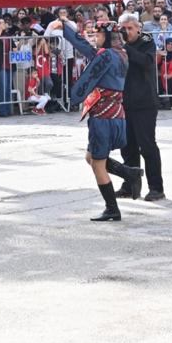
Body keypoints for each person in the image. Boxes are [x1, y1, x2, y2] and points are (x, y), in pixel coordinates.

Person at [48, 16, 139, 222]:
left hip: (103, 116)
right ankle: (129, 173)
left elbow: (86, 78)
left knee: (98, 164)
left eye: (98, 35)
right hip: (116, 113)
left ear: (106, 36)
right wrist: (66, 27)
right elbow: (84, 47)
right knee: (90, 158)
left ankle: (112, 209)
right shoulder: (120, 53)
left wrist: (75, 96)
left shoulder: (106, 56)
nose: (95, 38)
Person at [117, 11, 164, 201]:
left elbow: (146, 62)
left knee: (147, 146)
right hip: (125, 101)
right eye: (124, 29)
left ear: (138, 28)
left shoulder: (146, 41)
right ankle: (130, 185)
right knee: (127, 147)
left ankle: (156, 187)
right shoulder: (117, 43)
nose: (127, 32)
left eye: (130, 28)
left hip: (144, 102)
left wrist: (126, 48)